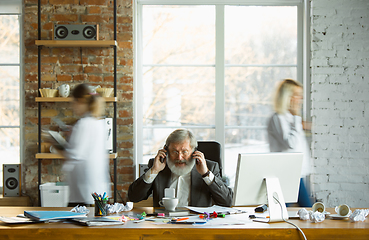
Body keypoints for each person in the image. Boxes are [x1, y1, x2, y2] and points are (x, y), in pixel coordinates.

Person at [128, 129, 233, 207]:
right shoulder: (157, 166)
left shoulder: (209, 167)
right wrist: (154, 171)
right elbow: (134, 197)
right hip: (164, 225)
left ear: (194, 151)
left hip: (198, 225)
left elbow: (227, 201)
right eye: (174, 151)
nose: (179, 157)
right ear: (166, 151)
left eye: (184, 152)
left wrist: (206, 174)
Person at [57, 83, 111, 207]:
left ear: (80, 101)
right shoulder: (98, 122)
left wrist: (56, 145)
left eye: (73, 102)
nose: (73, 107)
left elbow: (75, 155)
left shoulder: (84, 123)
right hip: (97, 189)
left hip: (83, 190)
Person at [267, 79, 312, 207]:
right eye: (297, 95)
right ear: (288, 97)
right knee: (306, 209)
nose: (300, 99)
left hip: (296, 171)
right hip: (289, 170)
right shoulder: (278, 118)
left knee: (286, 208)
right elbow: (290, 143)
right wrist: (297, 119)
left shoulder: (290, 118)